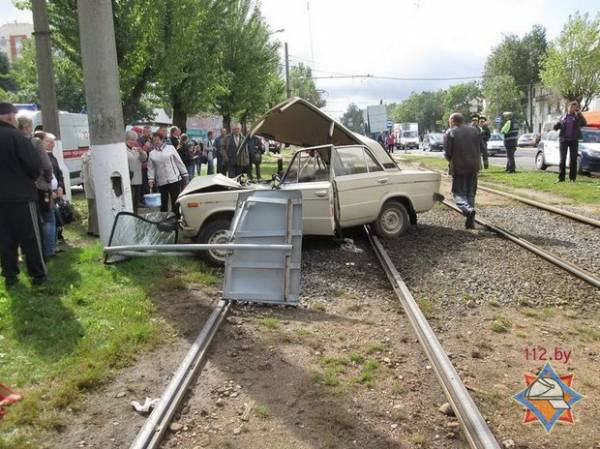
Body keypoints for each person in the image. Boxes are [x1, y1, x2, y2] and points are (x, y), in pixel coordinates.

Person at [0, 102, 46, 287]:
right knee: (31, 237)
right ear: (11, 116)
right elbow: (34, 167)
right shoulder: (16, 137)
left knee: (4, 238)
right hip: (21, 196)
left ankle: (10, 275)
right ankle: (38, 275)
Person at [444, 112, 488, 229]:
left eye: (449, 121)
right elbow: (483, 147)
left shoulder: (450, 132)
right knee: (470, 194)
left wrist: (451, 161)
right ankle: (470, 222)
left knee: (458, 194)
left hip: (459, 168)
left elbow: (447, 153)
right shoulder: (475, 130)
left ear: (453, 121)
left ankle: (468, 210)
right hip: (474, 167)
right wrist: (485, 160)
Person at [147, 131, 188, 217]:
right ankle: (164, 220)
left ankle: (176, 220)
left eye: (157, 140)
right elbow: (151, 168)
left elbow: (178, 161)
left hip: (174, 179)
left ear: (162, 140)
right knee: (163, 203)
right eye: (154, 140)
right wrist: (150, 179)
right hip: (161, 181)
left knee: (175, 201)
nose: (156, 142)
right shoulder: (152, 154)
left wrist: (184, 174)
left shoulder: (171, 148)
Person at [553, 101, 587, 183]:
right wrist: (556, 124)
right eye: (572, 107)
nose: (573, 108)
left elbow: (584, 123)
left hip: (574, 140)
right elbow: (555, 127)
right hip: (563, 140)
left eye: (575, 107)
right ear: (568, 107)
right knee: (562, 160)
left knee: (573, 160)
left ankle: (572, 178)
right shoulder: (563, 117)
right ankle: (561, 178)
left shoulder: (577, 117)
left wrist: (580, 113)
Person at [125, 130, 148, 214]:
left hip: (138, 178)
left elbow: (144, 159)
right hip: (129, 179)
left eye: (134, 140)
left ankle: (135, 214)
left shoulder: (136, 150)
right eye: (130, 139)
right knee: (130, 199)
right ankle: (130, 215)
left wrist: (142, 152)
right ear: (126, 140)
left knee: (136, 201)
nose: (132, 142)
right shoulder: (123, 150)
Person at [80, 149, 99, 236]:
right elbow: (92, 176)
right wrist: (97, 190)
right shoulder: (92, 158)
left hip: (88, 186)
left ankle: (91, 229)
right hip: (93, 188)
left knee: (91, 208)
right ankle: (96, 231)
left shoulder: (86, 156)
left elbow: (82, 174)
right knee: (95, 209)